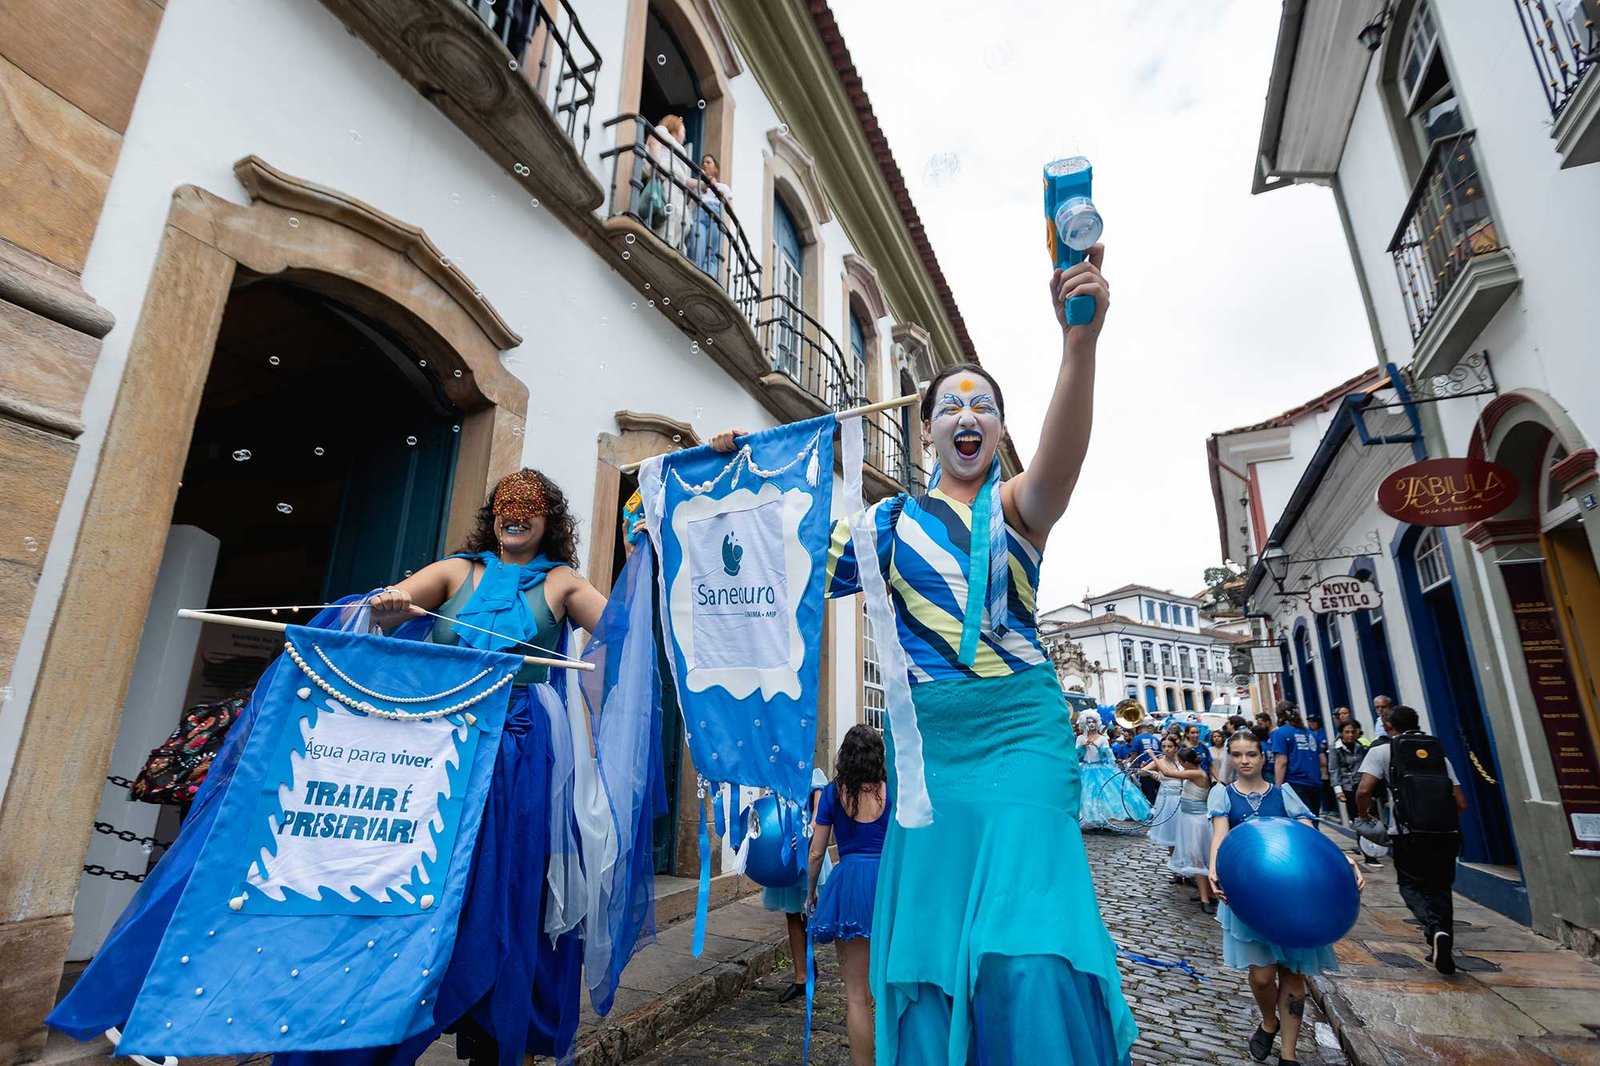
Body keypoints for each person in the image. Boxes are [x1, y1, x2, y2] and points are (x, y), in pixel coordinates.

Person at [712, 245, 1134, 1063]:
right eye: (950, 406)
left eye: (984, 407)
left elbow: (1062, 462)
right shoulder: (880, 527)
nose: (967, 417)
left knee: (1031, 957)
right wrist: (732, 478)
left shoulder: (1019, 508)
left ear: (1000, 429)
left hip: (1022, 738)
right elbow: (779, 568)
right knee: (935, 958)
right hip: (930, 755)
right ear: (927, 427)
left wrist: (1078, 346)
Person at [1209, 729, 1363, 1066]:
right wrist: (1213, 868)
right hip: (1248, 898)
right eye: (1237, 755)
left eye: (1251, 754)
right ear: (1230, 758)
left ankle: (1288, 1055)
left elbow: (1310, 835)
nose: (1244, 761)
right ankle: (1269, 1021)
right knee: (1262, 976)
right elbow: (1220, 835)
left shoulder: (1284, 793)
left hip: (1294, 899)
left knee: (1293, 974)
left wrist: (1341, 859)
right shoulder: (1223, 795)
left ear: (1263, 756)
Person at [1356, 705, 1467, 975]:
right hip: (1445, 832)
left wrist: (1364, 815)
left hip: (1407, 833)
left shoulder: (1382, 751)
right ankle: (1443, 945)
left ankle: (1434, 928)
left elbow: (1364, 790)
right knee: (1440, 888)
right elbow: (1461, 802)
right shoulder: (1437, 753)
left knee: (1410, 885)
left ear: (1388, 727)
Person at [808, 726, 891, 1066]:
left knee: (857, 997)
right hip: (887, 886)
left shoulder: (832, 793)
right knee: (890, 991)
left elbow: (816, 852)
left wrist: (811, 893)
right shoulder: (892, 792)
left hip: (851, 886)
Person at [765, 765, 832, 1003]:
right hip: (783, 851)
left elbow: (819, 810)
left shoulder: (814, 774)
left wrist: (809, 829)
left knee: (808, 911)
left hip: (807, 849)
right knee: (791, 913)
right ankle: (800, 977)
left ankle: (809, 960)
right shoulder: (777, 772)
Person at [1151, 746, 1217, 913]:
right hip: (1188, 818)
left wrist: (1152, 755)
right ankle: (1207, 893)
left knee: (1198, 857)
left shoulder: (1196, 773)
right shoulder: (1192, 772)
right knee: (1196, 855)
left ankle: (1205, 898)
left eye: (1180, 762)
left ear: (1186, 762)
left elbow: (1168, 773)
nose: (1179, 764)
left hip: (1196, 822)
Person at [1078, 710, 1153, 830]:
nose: (1091, 724)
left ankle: (1103, 819)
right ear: (1084, 724)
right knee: (1086, 795)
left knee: (1105, 795)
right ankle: (1089, 819)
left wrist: (1098, 747)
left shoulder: (1102, 739)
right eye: (1089, 722)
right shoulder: (1081, 738)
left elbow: (1108, 756)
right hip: (1086, 769)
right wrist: (1083, 746)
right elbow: (1077, 754)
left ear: (1097, 723)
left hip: (1101, 769)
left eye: (1093, 722)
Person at [1268, 701, 1324, 823]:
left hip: (1295, 783)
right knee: (1313, 820)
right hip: (1315, 783)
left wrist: (1278, 788)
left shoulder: (1280, 733)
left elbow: (1281, 762)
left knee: (1300, 822)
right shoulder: (1310, 734)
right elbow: (1322, 760)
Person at [644, 114, 692, 248]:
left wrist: (705, 184)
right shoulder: (662, 130)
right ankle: (662, 244)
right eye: (683, 130)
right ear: (675, 126)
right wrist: (657, 167)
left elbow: (686, 180)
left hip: (679, 184)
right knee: (668, 213)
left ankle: (671, 246)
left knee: (685, 221)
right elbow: (654, 144)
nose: (685, 135)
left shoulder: (681, 150)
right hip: (666, 175)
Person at [1330, 721, 1372, 864]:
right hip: (1348, 788)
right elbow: (1334, 770)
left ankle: (1371, 851)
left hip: (1361, 786)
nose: (1350, 735)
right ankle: (1367, 853)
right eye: (1347, 732)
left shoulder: (1360, 747)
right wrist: (1338, 790)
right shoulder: (1335, 748)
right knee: (1357, 821)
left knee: (1367, 817)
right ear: (1341, 733)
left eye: (1353, 732)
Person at [684, 152, 731, 279]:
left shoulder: (723, 187)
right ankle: (695, 273)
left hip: (716, 217)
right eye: (703, 162)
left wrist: (717, 190)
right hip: (699, 214)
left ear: (716, 169)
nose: (704, 164)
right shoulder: (697, 185)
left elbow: (729, 209)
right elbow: (690, 203)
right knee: (696, 243)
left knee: (713, 251)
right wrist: (703, 182)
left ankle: (708, 276)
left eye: (708, 162)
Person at [1143, 735, 1184, 864]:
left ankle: (1183, 862)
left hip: (1181, 797)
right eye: (1164, 746)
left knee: (1183, 832)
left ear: (1176, 748)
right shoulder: (1159, 761)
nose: (1166, 749)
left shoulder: (1182, 761)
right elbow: (1141, 772)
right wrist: (1151, 772)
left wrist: (1152, 756)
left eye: (1169, 746)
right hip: (1166, 799)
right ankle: (1174, 864)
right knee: (1170, 832)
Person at [1129, 721, 1162, 805]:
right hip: (1157, 768)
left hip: (1145, 769)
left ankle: (1152, 809)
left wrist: (1129, 762)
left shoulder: (1137, 738)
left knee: (1149, 794)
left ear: (1139, 730)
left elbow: (1134, 755)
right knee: (1159, 792)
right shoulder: (1156, 739)